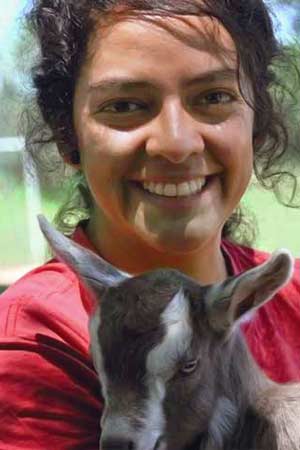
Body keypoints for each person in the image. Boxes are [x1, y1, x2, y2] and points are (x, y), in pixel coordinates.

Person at [0, 0, 300, 448]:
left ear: (254, 124)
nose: (176, 144)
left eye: (214, 97)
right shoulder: (38, 343)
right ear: (68, 134)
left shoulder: (293, 300)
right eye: (124, 105)